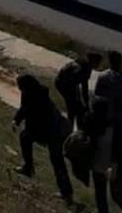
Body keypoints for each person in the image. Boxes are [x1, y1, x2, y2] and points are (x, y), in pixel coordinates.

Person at [13, 74, 74, 204]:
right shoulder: (28, 92)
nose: (20, 90)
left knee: (57, 161)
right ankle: (28, 168)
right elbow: (24, 108)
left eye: (21, 87)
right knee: (24, 137)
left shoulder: (41, 97)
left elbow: (34, 114)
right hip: (42, 129)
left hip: (53, 131)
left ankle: (66, 192)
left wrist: (27, 126)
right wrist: (16, 120)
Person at [94, 53, 122, 210]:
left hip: (106, 122)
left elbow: (97, 96)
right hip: (120, 123)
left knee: (101, 169)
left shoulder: (103, 77)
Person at [86, 97, 122, 213]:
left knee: (105, 194)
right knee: (115, 195)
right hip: (112, 165)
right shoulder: (116, 126)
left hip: (109, 165)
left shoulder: (94, 125)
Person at [55, 52, 102, 129]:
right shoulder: (81, 69)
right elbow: (72, 83)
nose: (99, 64)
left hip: (69, 84)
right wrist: (77, 99)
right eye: (98, 62)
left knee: (78, 108)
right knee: (73, 109)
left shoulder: (87, 67)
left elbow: (84, 86)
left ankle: (77, 127)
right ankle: (70, 128)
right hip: (63, 84)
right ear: (93, 61)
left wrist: (86, 103)